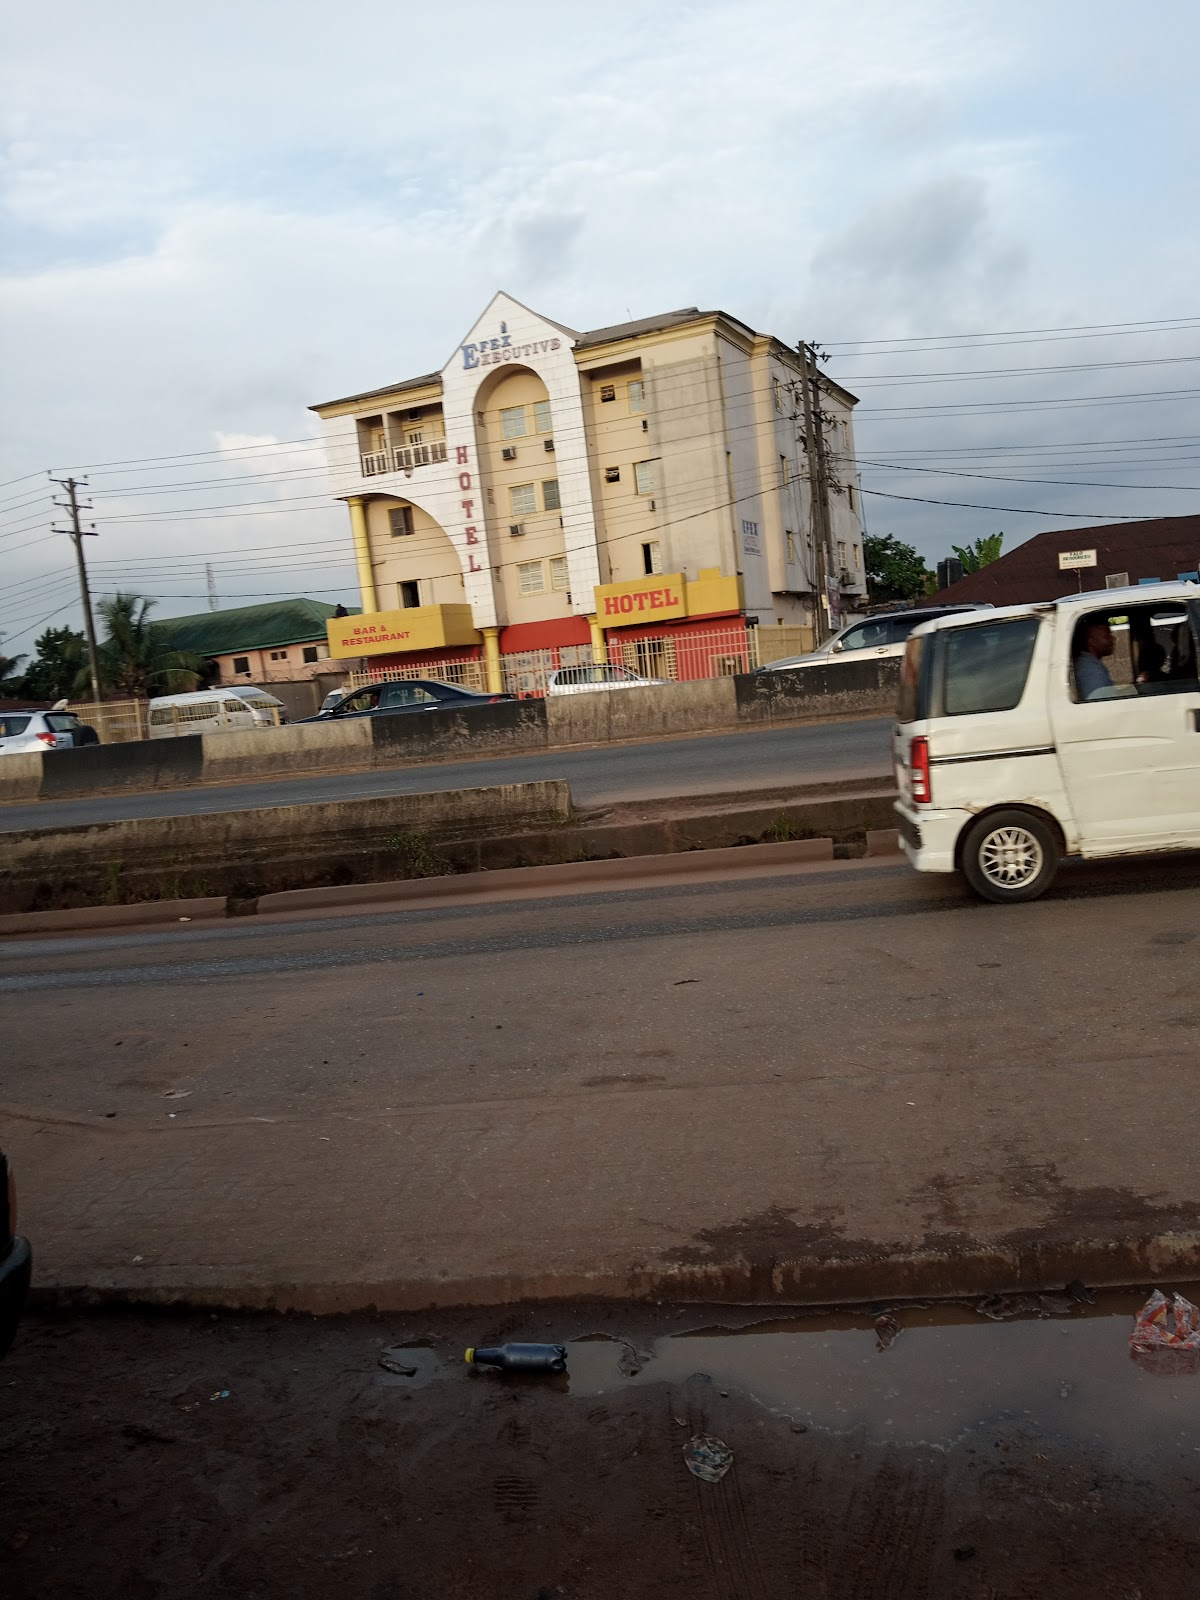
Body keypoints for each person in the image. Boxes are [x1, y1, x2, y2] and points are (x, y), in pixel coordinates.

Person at [1074, 619, 1115, 700]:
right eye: (1106, 636)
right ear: (1091, 641)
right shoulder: (1092, 671)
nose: (1112, 639)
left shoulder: (1088, 665)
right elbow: (1100, 704)